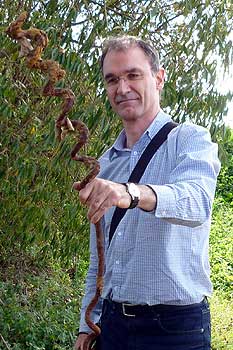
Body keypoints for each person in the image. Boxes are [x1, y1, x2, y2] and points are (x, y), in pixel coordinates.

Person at [73, 36, 220, 350]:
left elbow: (197, 203)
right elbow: (99, 259)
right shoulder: (105, 164)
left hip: (175, 329)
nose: (122, 88)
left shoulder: (191, 140)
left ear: (158, 77)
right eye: (112, 79)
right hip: (111, 326)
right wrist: (87, 324)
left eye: (133, 75)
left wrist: (132, 193)